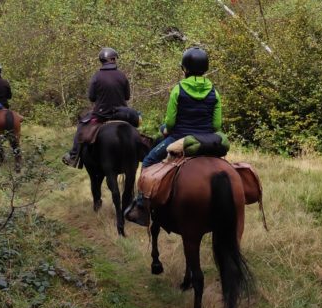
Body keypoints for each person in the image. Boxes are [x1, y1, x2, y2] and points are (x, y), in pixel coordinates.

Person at [125, 47, 221, 225]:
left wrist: (165, 129)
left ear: (185, 68)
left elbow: (170, 122)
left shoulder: (178, 89)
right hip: (206, 140)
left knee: (148, 161)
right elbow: (216, 125)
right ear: (205, 68)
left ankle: (141, 207)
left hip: (180, 138)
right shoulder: (214, 92)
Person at [62, 47, 131, 167]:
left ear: (102, 61)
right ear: (112, 60)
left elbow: (92, 98)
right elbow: (127, 96)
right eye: (114, 58)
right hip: (122, 114)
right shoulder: (122, 75)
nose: (115, 60)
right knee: (137, 124)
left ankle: (73, 156)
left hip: (101, 115)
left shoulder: (96, 76)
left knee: (82, 126)